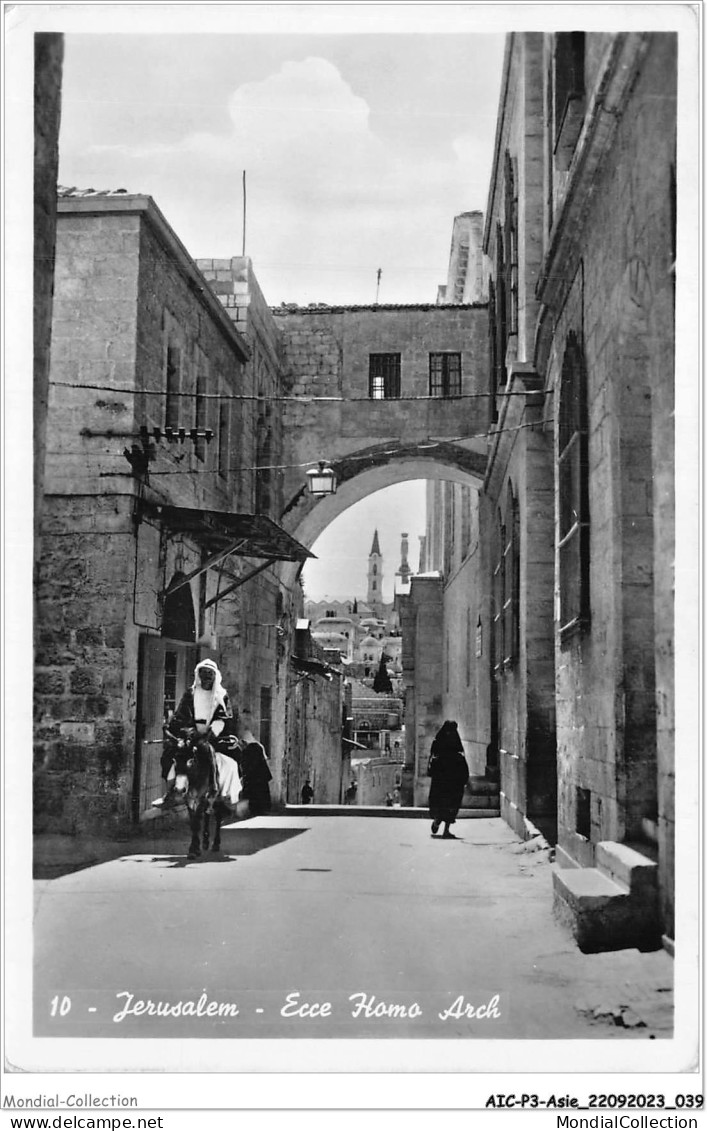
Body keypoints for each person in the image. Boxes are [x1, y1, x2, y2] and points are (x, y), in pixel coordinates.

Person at [153, 658, 233, 808]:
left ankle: (214, 788)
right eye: (204, 673)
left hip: (212, 736)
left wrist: (209, 733)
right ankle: (173, 792)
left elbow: (223, 718)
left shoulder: (222, 695)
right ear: (198, 675)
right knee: (171, 754)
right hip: (189, 733)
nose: (207, 677)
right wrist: (188, 731)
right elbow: (182, 715)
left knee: (207, 751)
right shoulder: (190, 693)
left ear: (215, 676)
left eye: (210, 674)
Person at [427, 720, 469, 839]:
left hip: (442, 779)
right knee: (450, 804)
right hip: (451, 780)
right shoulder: (455, 742)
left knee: (444, 803)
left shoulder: (438, 740)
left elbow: (433, 756)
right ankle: (442, 827)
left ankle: (439, 823)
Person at [236, 722, 272, 816]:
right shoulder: (258, 746)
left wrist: (245, 773)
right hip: (260, 776)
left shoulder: (251, 749)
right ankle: (260, 809)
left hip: (254, 776)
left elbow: (247, 762)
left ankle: (255, 809)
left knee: (254, 793)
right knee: (260, 792)